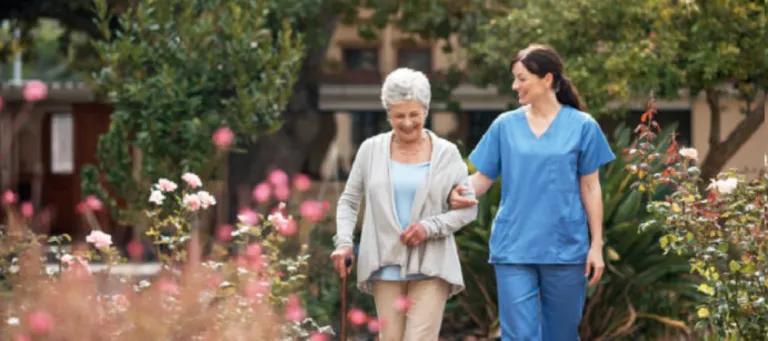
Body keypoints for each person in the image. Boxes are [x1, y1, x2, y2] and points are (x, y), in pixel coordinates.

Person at [449, 44, 615, 340]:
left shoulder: (583, 127)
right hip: (514, 247)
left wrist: (596, 245)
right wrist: (457, 192)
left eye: (522, 78)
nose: (515, 86)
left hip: (565, 248)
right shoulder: (505, 126)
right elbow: (482, 179)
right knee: (518, 336)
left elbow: (591, 187)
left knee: (561, 334)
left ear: (547, 79)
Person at [331, 67, 477, 341]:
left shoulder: (447, 153)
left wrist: (430, 227)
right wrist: (343, 243)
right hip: (384, 264)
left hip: (432, 264)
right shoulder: (370, 150)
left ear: (426, 110)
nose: (408, 122)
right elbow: (349, 202)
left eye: (415, 115)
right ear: (388, 114)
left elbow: (468, 208)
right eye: (399, 116)